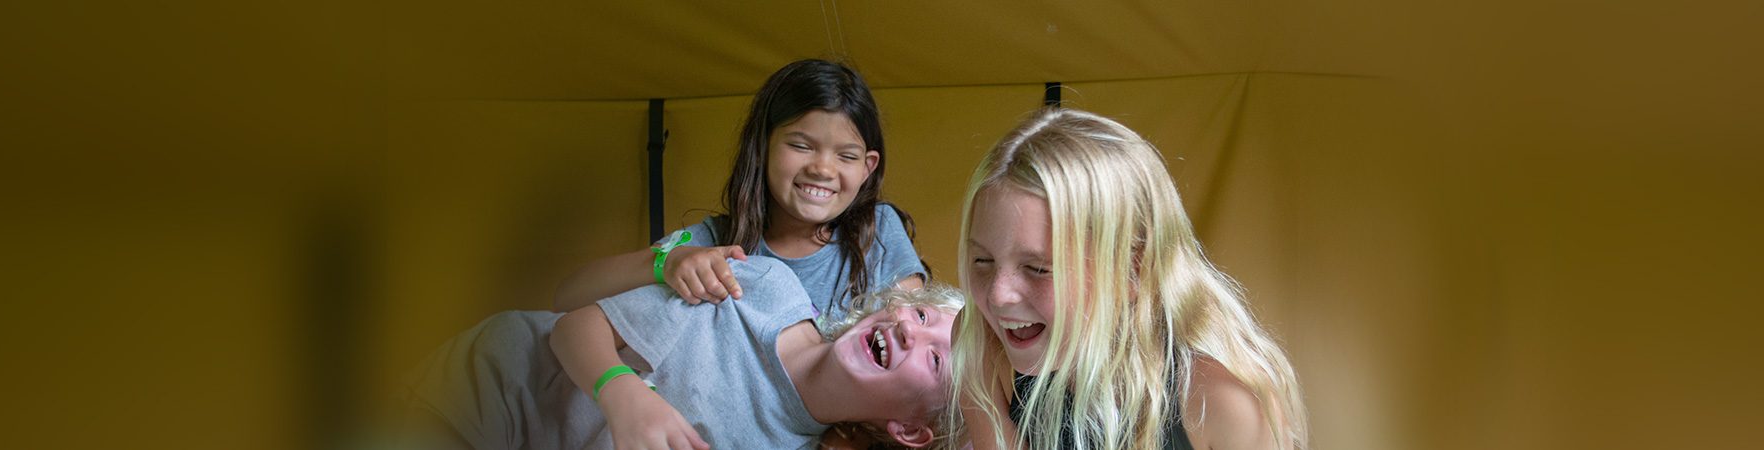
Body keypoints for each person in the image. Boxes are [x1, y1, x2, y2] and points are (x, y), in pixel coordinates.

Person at [947, 108, 1309, 449]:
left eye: (1038, 268)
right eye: (983, 260)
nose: (997, 295)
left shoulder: (1220, 398)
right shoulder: (980, 341)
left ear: (1132, 270)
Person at [404, 256, 960, 450]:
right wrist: (623, 395)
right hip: (498, 390)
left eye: (937, 359)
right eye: (922, 314)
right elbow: (574, 327)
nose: (915, 331)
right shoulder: (766, 288)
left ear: (909, 430)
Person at [552, 58, 927, 320]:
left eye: (846, 156)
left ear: (867, 167)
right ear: (762, 146)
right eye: (800, 146)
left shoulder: (876, 232)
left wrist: (855, 435)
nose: (822, 169)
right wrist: (669, 262)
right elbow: (569, 294)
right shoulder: (718, 240)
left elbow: (918, 351)